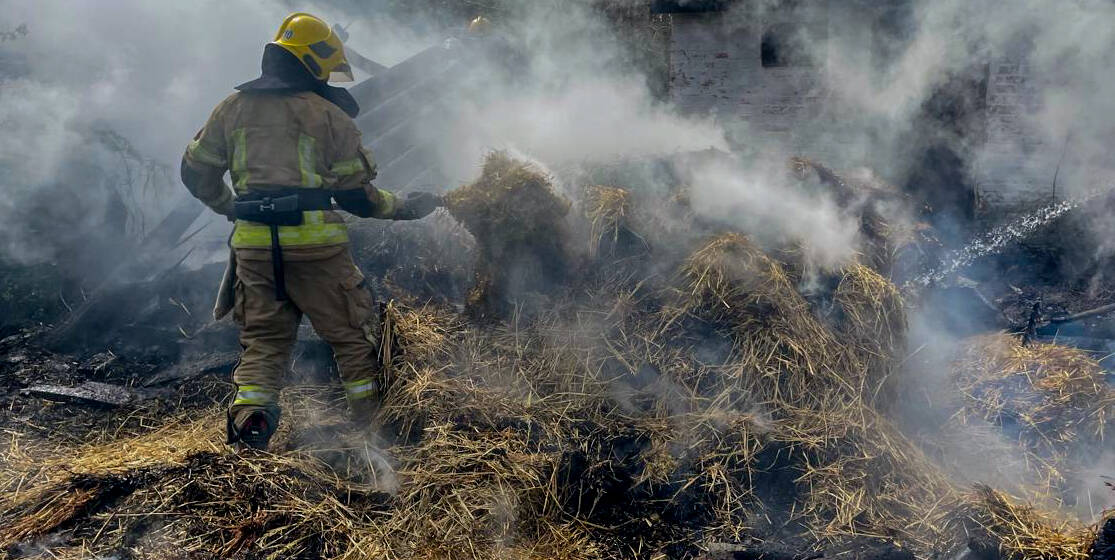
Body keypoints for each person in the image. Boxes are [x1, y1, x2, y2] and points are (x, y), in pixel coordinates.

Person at [180, 12, 442, 450]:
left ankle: (250, 427)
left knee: (263, 343)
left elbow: (194, 172)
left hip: (255, 250)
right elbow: (359, 197)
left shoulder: (231, 108)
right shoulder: (328, 116)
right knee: (353, 338)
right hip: (318, 250)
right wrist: (404, 207)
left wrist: (232, 208)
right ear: (314, 60)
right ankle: (374, 434)